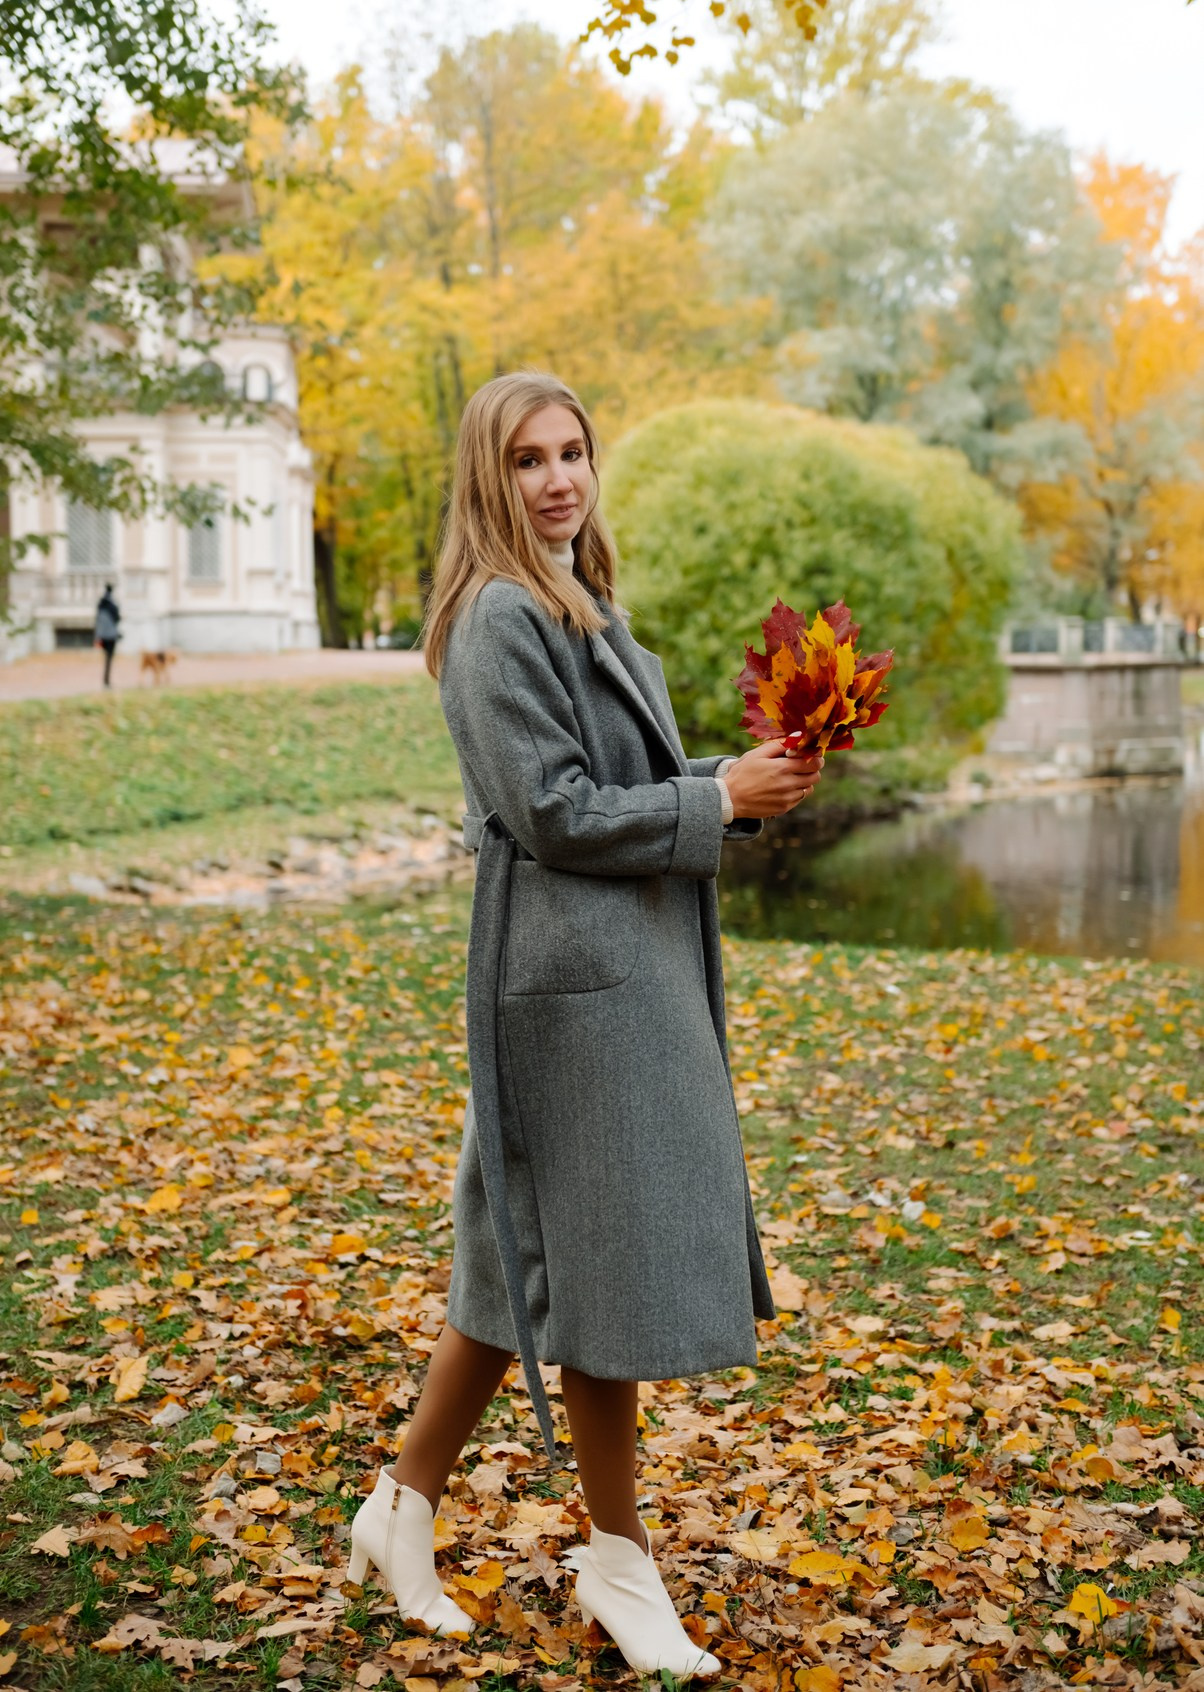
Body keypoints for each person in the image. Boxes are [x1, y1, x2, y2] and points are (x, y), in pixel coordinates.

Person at [346, 371, 821, 1678]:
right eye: (528, 460)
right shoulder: (501, 619)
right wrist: (714, 802)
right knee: (594, 1271)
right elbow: (553, 811)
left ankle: (400, 1509)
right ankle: (620, 1565)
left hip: (602, 971)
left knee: (517, 1263)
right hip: (566, 988)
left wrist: (737, 779)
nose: (558, 478)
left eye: (572, 452)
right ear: (487, 482)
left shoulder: (581, 602)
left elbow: (615, 785)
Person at [94, 583, 120, 689]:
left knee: (106, 658)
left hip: (102, 635)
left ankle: (106, 680)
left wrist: (97, 636)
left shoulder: (100, 604)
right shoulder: (113, 605)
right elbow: (117, 619)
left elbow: (97, 621)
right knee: (109, 658)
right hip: (111, 636)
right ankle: (107, 681)